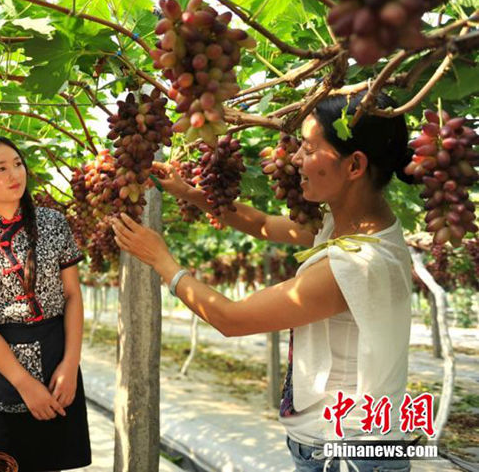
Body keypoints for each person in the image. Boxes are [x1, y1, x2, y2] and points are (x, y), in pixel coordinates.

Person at [112, 92, 416, 472]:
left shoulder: (357, 264)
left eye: (308, 148)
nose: (295, 159)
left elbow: (231, 319)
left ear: (354, 165)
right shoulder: (355, 227)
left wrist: (162, 261)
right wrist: (190, 193)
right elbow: (264, 224)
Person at [0, 136, 91, 472]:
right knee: (12, 465)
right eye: (0, 168)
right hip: (5, 363)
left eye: (17, 164)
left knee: (56, 462)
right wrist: (24, 383)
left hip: (57, 356)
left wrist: (70, 365)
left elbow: (73, 296)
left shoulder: (53, 222)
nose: (13, 174)